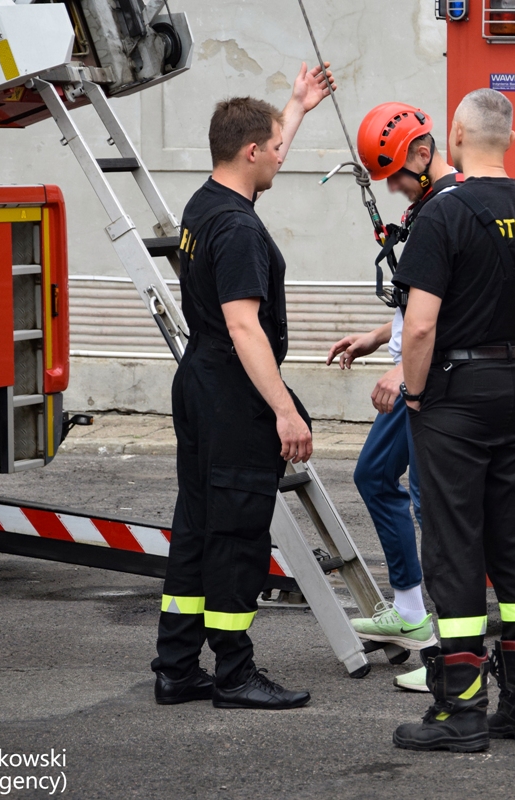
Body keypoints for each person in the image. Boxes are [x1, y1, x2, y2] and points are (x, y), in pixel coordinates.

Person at [390, 88, 515, 751]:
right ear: (511, 137)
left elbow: (419, 327)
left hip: (453, 395)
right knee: (514, 546)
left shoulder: (445, 215)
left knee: (454, 548)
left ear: (459, 136)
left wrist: (416, 396)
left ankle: (460, 711)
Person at [151, 63, 335, 710]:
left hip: (200, 381)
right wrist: (284, 410)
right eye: (274, 150)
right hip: (232, 393)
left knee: (198, 525)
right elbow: (243, 325)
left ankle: (176, 666)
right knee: (235, 534)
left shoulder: (208, 203)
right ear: (251, 151)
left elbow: (266, 141)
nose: (281, 161)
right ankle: (233, 673)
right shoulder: (239, 230)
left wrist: (297, 103)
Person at [326, 102, 462, 692]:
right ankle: (411, 613)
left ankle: (442, 647)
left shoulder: (443, 212)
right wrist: (378, 335)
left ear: (424, 155)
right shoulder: (433, 206)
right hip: (423, 373)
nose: (394, 190)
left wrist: (405, 376)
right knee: (377, 476)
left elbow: (447, 314)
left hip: (430, 382)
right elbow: (421, 307)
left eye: (397, 177)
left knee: (435, 508)